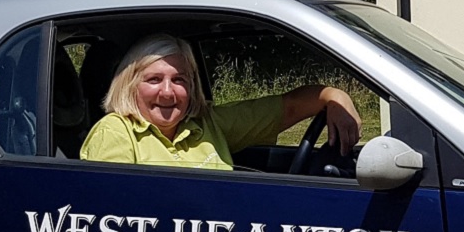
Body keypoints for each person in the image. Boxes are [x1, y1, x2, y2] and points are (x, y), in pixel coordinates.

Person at [77, 34, 365, 171]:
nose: (168, 92)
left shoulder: (207, 124)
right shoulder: (114, 133)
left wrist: (335, 97)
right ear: (129, 85)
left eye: (179, 80)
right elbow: (112, 214)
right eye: (154, 80)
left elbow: (289, 106)